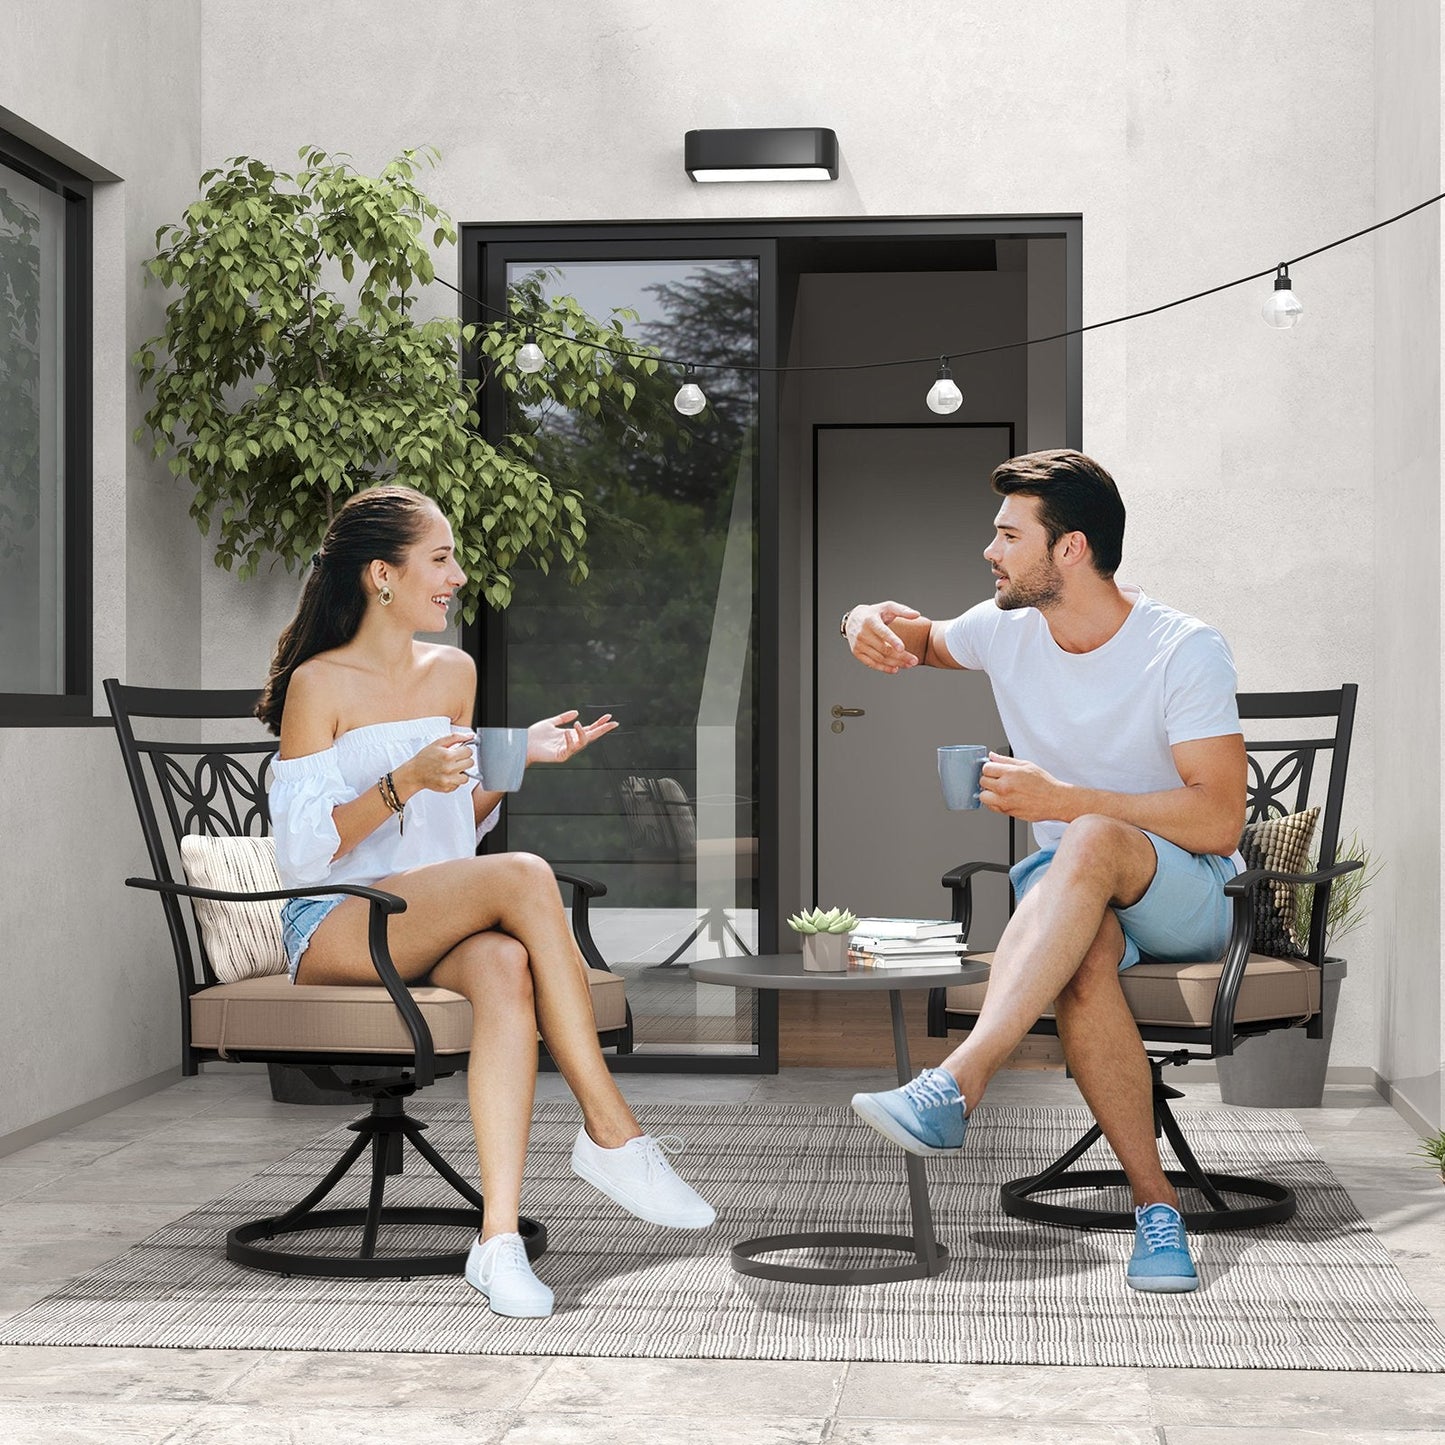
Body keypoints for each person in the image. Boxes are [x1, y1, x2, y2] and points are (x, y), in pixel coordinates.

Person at [255, 483, 715, 1319]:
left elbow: (451, 831)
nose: (458, 576)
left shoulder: (455, 671)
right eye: (440, 559)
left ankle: (496, 1242)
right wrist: (401, 779)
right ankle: (613, 1131)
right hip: (335, 919)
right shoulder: (317, 685)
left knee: (505, 963)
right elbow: (305, 851)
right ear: (380, 576)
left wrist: (523, 759)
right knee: (525, 872)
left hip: (426, 912)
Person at [843, 449, 1246, 1294]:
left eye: (1006, 535)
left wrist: (1064, 798)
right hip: (1072, 895)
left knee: (1088, 833)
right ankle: (1155, 1210)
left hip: (1186, 895)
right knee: (1083, 955)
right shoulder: (1005, 629)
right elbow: (912, 637)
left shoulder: (1182, 648)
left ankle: (957, 1081)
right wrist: (859, 620)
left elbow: (1217, 818)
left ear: (1068, 549)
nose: (988, 552)